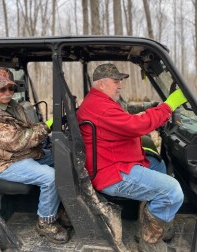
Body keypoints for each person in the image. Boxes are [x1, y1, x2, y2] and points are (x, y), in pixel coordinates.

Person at [76, 63, 187, 252]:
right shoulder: (100, 106)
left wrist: (149, 112)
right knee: (173, 191)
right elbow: (136, 126)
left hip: (115, 161)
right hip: (111, 173)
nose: (120, 85)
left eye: (121, 81)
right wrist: (168, 106)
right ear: (102, 84)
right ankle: (149, 241)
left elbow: (125, 121)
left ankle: (154, 222)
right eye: (116, 81)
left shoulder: (103, 101)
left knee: (157, 164)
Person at [0, 67, 69, 244]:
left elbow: (31, 127)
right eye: (2, 88)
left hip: (25, 153)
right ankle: (45, 222)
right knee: (51, 177)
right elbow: (18, 141)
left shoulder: (13, 106)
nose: (8, 92)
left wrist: (45, 128)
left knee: (65, 160)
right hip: (4, 163)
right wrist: (48, 125)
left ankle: (64, 208)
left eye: (11, 88)